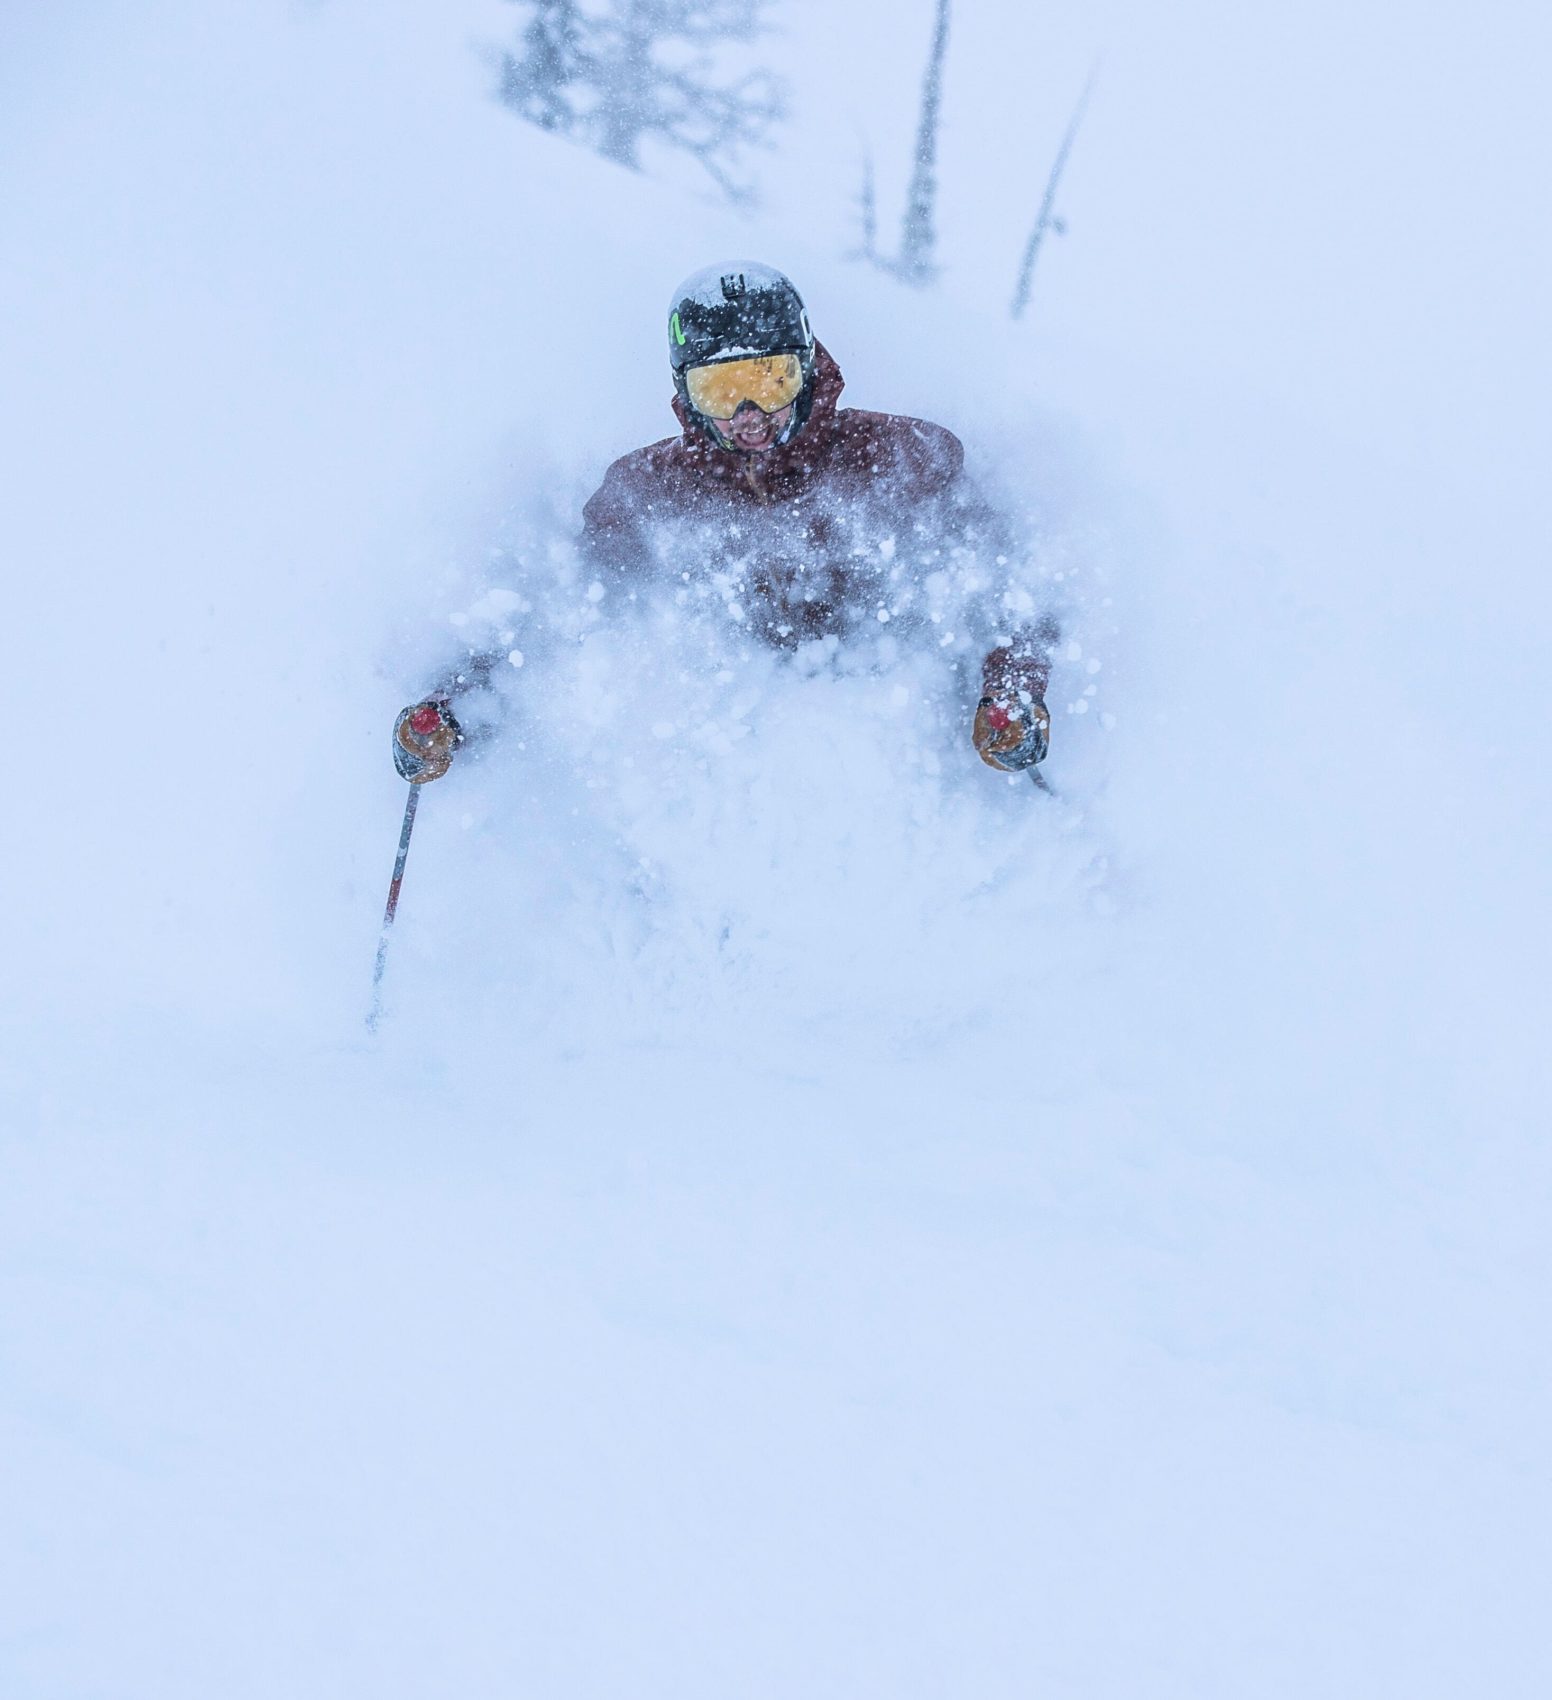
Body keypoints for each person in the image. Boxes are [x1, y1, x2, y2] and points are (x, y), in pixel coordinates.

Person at [394, 262, 1054, 784]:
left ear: (807, 369)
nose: (747, 415)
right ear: (684, 393)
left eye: (769, 380)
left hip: (886, 762)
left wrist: (1011, 693)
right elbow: (559, 610)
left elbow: (1005, 586)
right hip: (728, 773)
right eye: (718, 389)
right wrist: (455, 706)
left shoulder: (899, 460)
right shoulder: (648, 493)